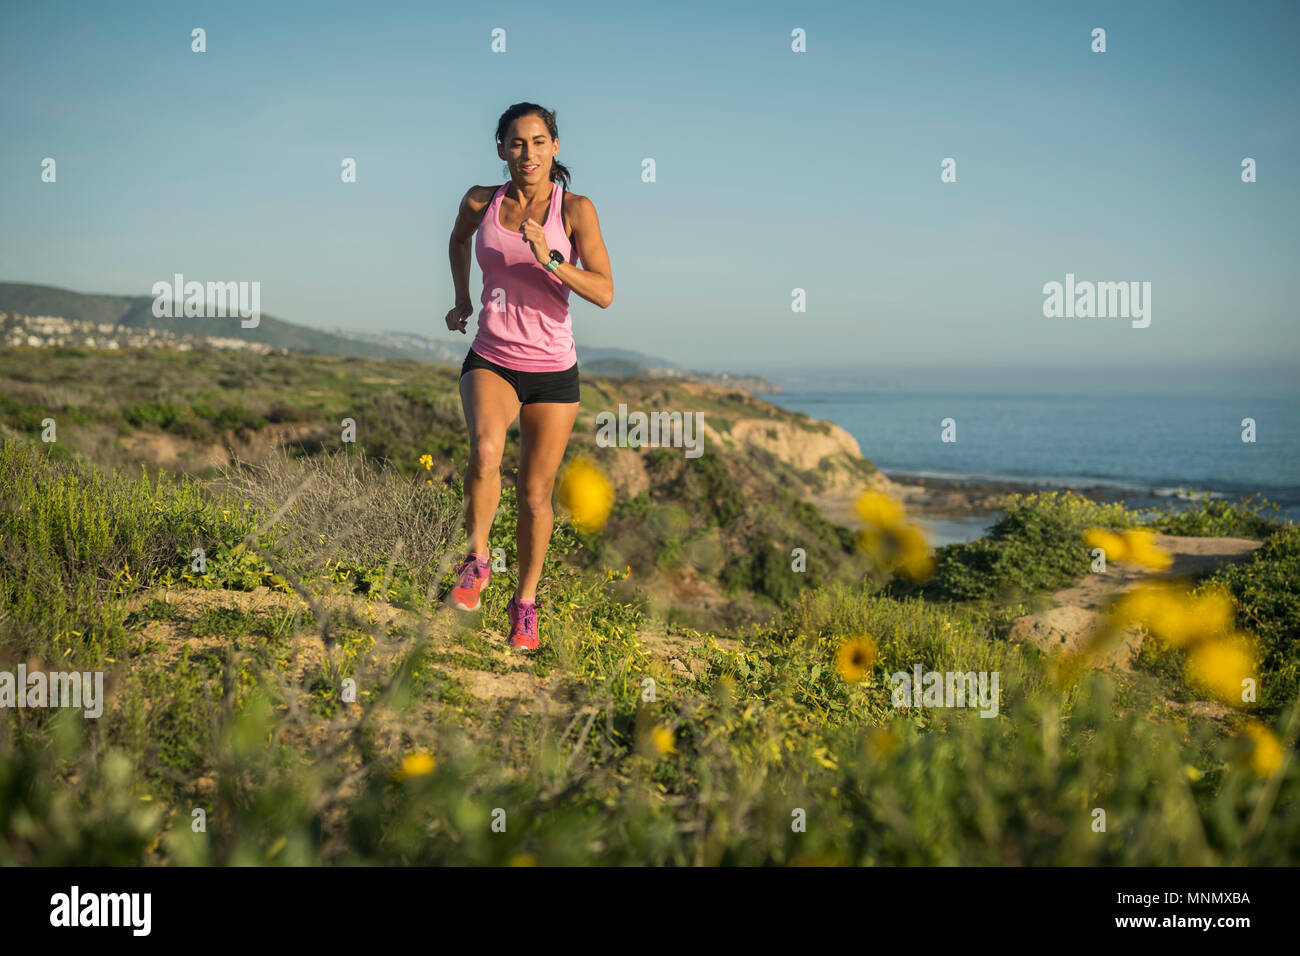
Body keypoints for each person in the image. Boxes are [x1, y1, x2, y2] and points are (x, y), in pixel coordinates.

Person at [443, 102, 614, 651]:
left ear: (555, 147)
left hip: (553, 371)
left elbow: (605, 292)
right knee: (486, 451)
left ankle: (525, 605)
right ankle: (476, 560)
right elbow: (457, 239)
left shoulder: (576, 210)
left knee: (537, 496)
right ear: (501, 150)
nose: (528, 153)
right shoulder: (481, 200)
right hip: (492, 356)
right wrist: (462, 298)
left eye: (539, 142)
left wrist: (553, 260)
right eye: (517, 143)